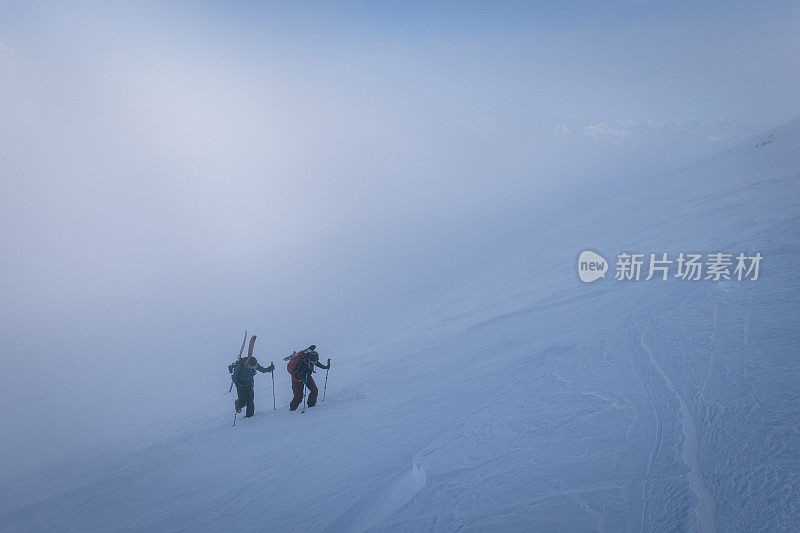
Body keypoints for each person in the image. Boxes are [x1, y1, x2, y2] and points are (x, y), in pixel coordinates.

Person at [286, 345, 330, 411]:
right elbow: (295, 373)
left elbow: (316, 363)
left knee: (314, 390)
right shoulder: (302, 361)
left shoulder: (311, 358)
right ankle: (292, 410)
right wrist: (302, 373)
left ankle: (311, 407)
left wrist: (325, 367)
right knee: (298, 397)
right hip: (297, 379)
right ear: (310, 359)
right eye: (314, 361)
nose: (315, 362)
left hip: (307, 376)